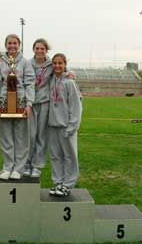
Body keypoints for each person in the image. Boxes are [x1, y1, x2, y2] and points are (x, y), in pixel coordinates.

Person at [0, 34, 35, 180]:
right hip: (4, 103)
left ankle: (18, 169)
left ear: (19, 45)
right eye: (9, 43)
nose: (12, 46)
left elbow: (29, 84)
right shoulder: (0, 62)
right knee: (6, 137)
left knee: (21, 138)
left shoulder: (25, 63)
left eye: (15, 43)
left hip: (20, 104)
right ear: (5, 45)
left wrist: (29, 104)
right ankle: (8, 167)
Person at [48, 53, 82, 197]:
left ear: (65, 64)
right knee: (55, 156)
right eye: (54, 63)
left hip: (66, 126)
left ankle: (68, 184)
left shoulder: (69, 82)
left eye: (60, 63)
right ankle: (58, 183)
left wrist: (72, 126)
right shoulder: (51, 80)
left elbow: (76, 106)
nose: (57, 66)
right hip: (52, 125)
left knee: (69, 156)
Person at [24, 38, 53, 178]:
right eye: (37, 48)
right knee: (30, 136)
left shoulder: (51, 64)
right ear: (33, 49)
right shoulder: (28, 63)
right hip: (30, 103)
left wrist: (70, 74)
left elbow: (62, 71)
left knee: (41, 136)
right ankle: (27, 163)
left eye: (42, 48)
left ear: (46, 50)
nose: (40, 50)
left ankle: (37, 166)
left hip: (44, 103)